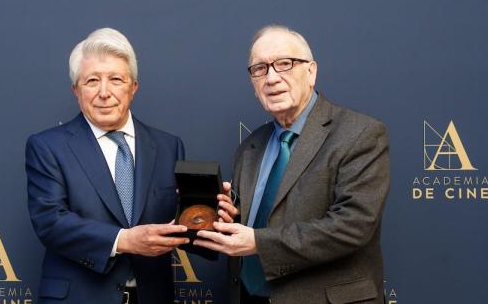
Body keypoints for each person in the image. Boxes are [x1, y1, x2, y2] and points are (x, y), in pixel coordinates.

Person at [25, 28, 237, 304]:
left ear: (133, 87)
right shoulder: (47, 147)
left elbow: (181, 227)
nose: (104, 92)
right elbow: (51, 222)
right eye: (92, 81)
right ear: (76, 90)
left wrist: (211, 216)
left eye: (116, 79)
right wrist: (124, 240)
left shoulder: (168, 146)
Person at [194, 25, 390, 304]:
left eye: (284, 64)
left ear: (311, 72)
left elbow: (353, 226)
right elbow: (254, 224)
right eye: (260, 69)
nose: (271, 78)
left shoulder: (360, 133)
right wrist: (225, 215)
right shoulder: (250, 147)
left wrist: (257, 242)